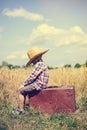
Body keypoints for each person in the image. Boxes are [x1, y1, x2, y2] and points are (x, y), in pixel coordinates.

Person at [12, 47, 49, 115]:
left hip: (39, 84)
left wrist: (23, 84)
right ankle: (23, 107)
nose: (33, 62)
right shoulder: (42, 63)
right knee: (25, 90)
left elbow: (32, 77)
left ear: (36, 59)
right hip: (40, 84)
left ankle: (21, 110)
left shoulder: (39, 64)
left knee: (21, 91)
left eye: (33, 60)